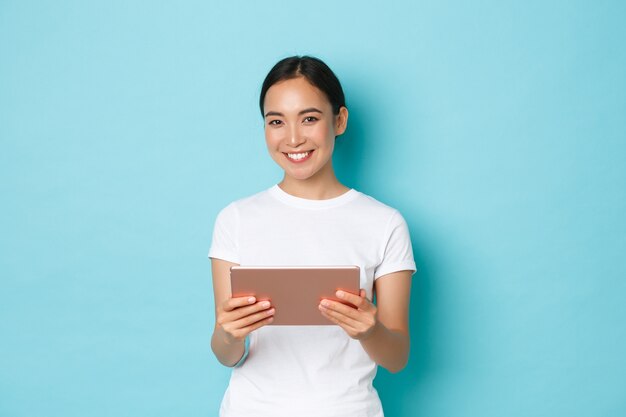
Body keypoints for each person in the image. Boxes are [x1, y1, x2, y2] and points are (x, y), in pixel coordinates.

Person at [208, 55, 417, 417]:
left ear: (339, 120)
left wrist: (369, 330)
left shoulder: (385, 223)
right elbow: (227, 354)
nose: (292, 138)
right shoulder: (236, 219)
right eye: (276, 121)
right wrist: (230, 334)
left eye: (309, 118)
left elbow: (397, 357)